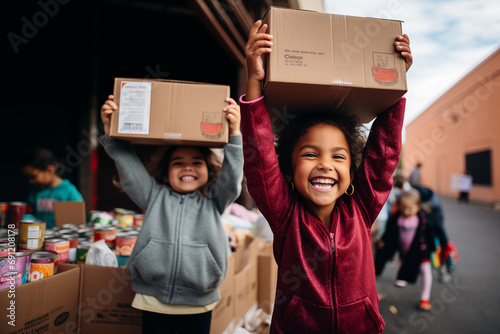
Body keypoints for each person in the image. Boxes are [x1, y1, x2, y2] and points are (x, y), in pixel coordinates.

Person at [240, 20, 412, 333]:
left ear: (352, 170)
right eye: (310, 154)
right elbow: (260, 161)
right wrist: (254, 80)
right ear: (289, 170)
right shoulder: (284, 214)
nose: (325, 164)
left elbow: (384, 153)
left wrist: (395, 83)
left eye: (338, 156)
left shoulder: (361, 208)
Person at [100, 95, 243, 334]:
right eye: (178, 163)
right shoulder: (153, 195)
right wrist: (111, 132)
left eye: (196, 162)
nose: (187, 167)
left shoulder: (215, 199)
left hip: (200, 300)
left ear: (209, 171)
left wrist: (235, 134)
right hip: (152, 299)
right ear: (166, 174)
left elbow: (232, 176)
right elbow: (128, 165)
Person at [375, 190, 437, 311]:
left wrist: (434, 247)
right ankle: (404, 277)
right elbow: (390, 230)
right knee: (405, 265)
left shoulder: (424, 219)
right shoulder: (397, 216)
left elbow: (431, 234)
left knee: (425, 271)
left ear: (418, 207)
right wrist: (384, 240)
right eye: (403, 208)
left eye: (410, 208)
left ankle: (425, 298)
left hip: (421, 251)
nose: (406, 211)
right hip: (404, 251)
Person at [21, 147, 83, 228]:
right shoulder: (35, 192)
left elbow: (77, 222)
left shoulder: (69, 191)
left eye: (33, 176)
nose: (31, 181)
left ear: (50, 170)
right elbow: (29, 214)